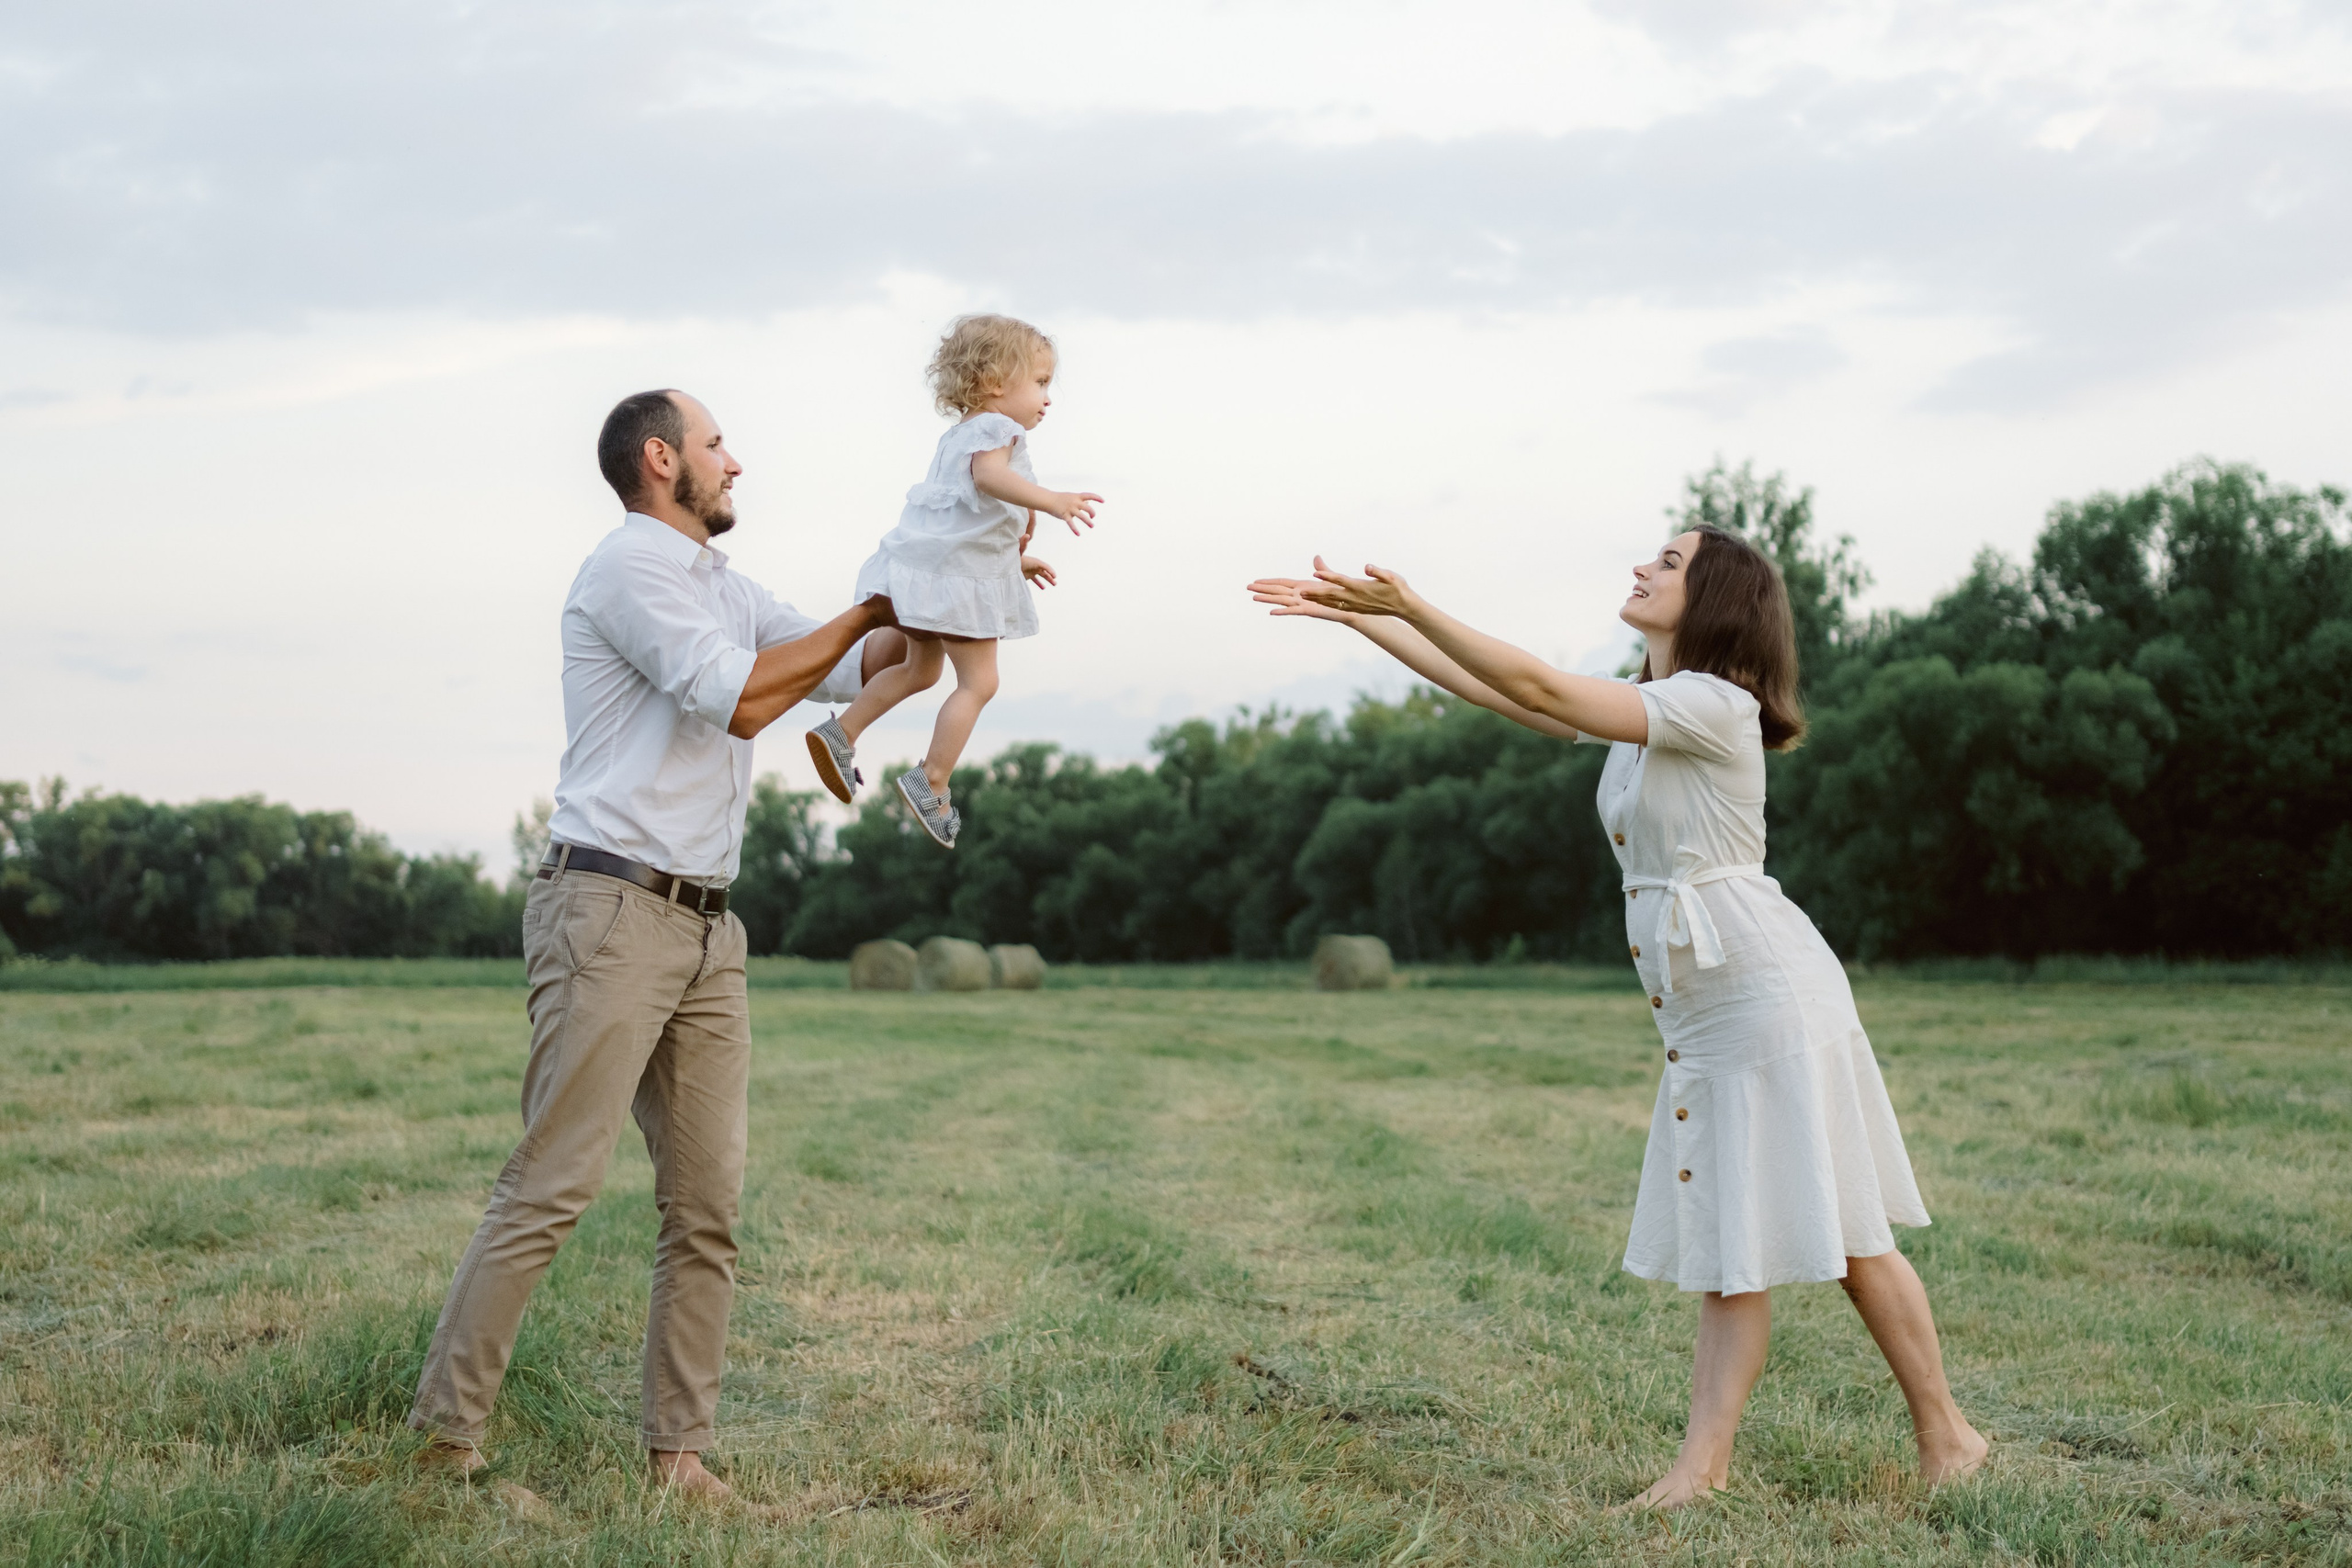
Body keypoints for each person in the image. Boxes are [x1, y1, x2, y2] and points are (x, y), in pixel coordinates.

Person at [1247, 533, 1988, 1509]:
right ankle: (1742, 1463)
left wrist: (1415, 604)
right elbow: (1504, 694)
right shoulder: (1648, 712)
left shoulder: (1711, 706)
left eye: (1669, 562)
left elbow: (1546, 690)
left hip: (1765, 994)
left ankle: (1924, 1440)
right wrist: (1369, 619)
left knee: (1843, 1234)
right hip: (1710, 1005)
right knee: (1755, 1238)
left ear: (1714, 599)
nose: (1643, 567)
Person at [407, 389, 905, 1504]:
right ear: (661, 459)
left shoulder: (729, 588)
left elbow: (858, 663)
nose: (740, 462)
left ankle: (679, 1456)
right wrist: (870, 605)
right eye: (720, 445)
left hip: (706, 927)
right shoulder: (628, 571)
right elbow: (736, 701)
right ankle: (441, 1449)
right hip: (609, 910)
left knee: (708, 1205)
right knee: (552, 1183)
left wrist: (953, 580)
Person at [803, 314, 1102, 847]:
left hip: (931, 575)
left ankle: (843, 732)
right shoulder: (998, 431)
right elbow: (990, 480)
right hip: (958, 585)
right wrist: (1054, 501)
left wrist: (1014, 563)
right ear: (994, 382)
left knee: (919, 670)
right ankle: (933, 779)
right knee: (980, 682)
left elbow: (965, 523)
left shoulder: (957, 435)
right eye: (1040, 382)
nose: (1047, 397)